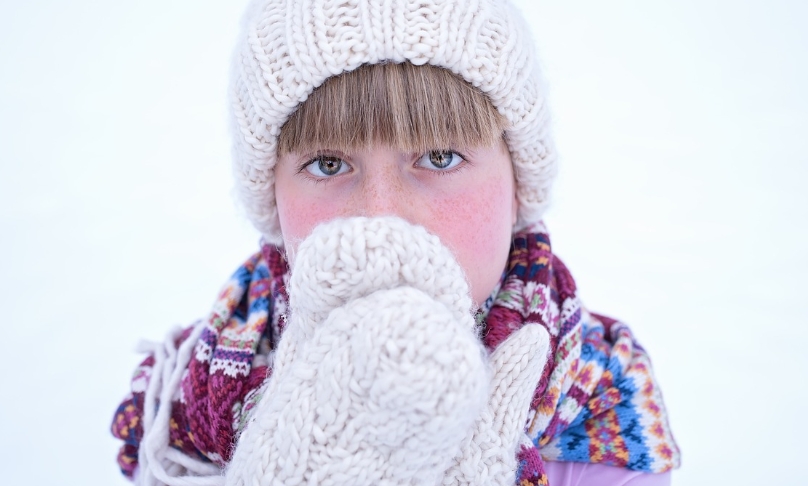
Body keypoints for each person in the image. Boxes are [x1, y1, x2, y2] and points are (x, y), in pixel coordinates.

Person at [111, 0, 680, 484]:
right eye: (328, 162)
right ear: (274, 203)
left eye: (439, 157)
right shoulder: (182, 412)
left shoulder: (601, 406)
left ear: (517, 188)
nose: (383, 216)